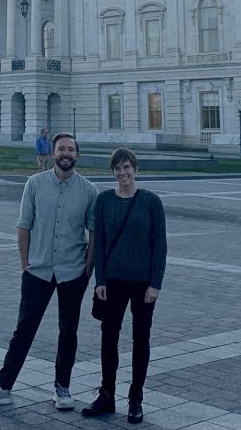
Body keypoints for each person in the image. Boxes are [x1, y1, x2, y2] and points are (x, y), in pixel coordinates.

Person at [0, 133, 97, 412]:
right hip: (38, 270)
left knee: (69, 331)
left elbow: (93, 233)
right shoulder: (35, 184)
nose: (66, 153)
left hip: (72, 271)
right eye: (61, 149)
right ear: (53, 153)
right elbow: (23, 226)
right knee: (24, 329)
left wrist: (87, 271)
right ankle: (3, 386)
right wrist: (24, 262)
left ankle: (62, 387)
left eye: (71, 149)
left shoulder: (89, 191)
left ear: (77, 154)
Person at [81, 148, 167, 425]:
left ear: (136, 169)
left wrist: (155, 284)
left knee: (141, 338)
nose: (123, 173)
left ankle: (136, 398)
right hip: (113, 282)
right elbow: (101, 242)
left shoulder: (151, 202)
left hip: (143, 283)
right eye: (118, 169)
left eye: (127, 167)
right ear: (113, 172)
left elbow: (160, 246)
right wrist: (100, 280)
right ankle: (107, 394)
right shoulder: (105, 200)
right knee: (109, 338)